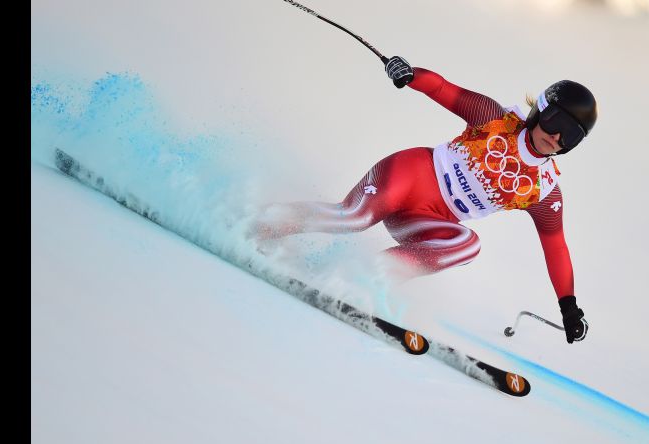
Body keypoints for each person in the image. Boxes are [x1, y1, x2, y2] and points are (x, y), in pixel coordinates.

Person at [250, 56, 596, 344]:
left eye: (572, 135)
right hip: (409, 176)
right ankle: (261, 223)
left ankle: (357, 280)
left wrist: (568, 306)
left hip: (425, 218)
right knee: (352, 218)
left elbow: (556, 248)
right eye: (556, 121)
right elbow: (445, 90)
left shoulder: (543, 191)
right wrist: (410, 75)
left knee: (467, 245)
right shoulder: (494, 120)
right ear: (541, 111)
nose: (556, 136)